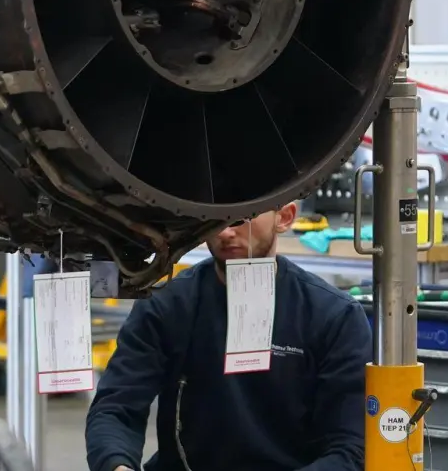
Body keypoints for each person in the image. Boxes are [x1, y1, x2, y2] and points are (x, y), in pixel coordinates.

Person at [85, 201, 371, 471]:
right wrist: (117, 464)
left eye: (242, 217)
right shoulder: (168, 305)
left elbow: (349, 448)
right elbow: (115, 408)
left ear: (284, 217)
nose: (225, 232)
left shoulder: (333, 316)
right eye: (216, 218)